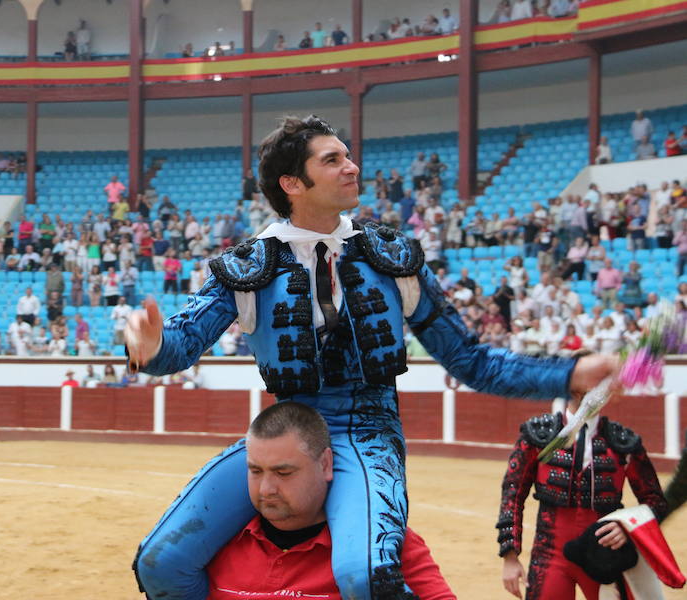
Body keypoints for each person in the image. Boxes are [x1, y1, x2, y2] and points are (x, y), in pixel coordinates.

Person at [128, 115, 617, 600]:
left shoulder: (392, 257)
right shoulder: (249, 265)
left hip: (369, 437)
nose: (352, 167)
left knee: (365, 575)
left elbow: (471, 359)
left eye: (348, 156)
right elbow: (182, 342)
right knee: (159, 562)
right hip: (285, 437)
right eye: (333, 160)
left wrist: (567, 372)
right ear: (292, 183)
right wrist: (151, 351)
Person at [206, 401, 456, 600]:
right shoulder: (215, 540)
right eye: (256, 471)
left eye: (284, 473)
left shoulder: (379, 541)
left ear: (325, 464)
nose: (267, 489)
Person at [496, 373, 668, 599]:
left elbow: (656, 502)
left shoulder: (623, 442)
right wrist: (510, 556)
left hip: (605, 557)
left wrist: (629, 528)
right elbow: (512, 494)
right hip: (549, 557)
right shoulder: (538, 435)